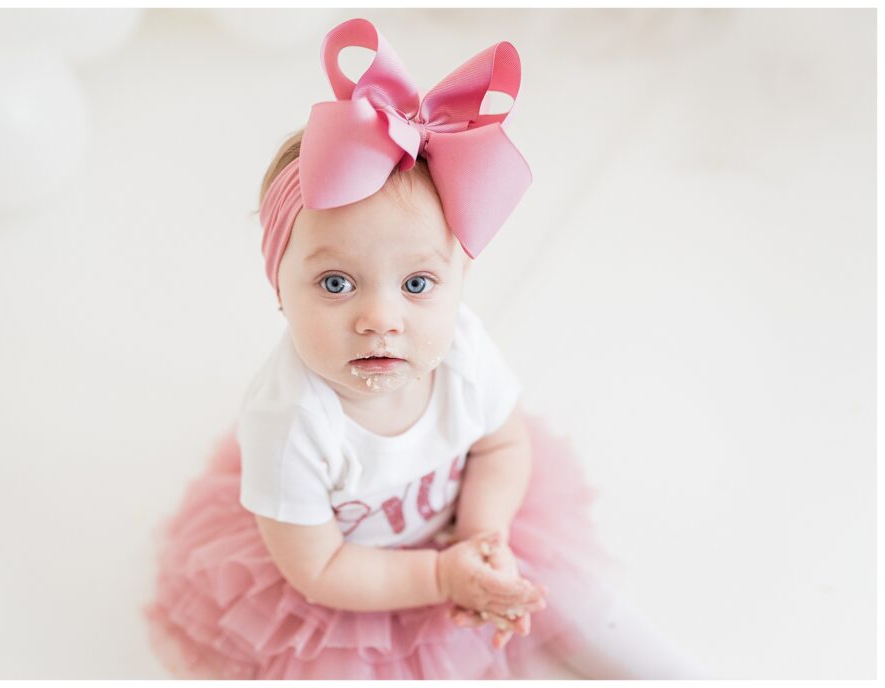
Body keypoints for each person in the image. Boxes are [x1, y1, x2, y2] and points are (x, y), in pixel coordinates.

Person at [144, 17, 704, 680]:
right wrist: (442, 575)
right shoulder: (288, 423)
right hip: (360, 580)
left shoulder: (462, 352)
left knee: (560, 592)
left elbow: (501, 444)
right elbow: (320, 570)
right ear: (279, 288)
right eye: (334, 282)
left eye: (416, 283)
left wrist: (482, 538)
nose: (381, 318)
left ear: (458, 283)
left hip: (468, 523)